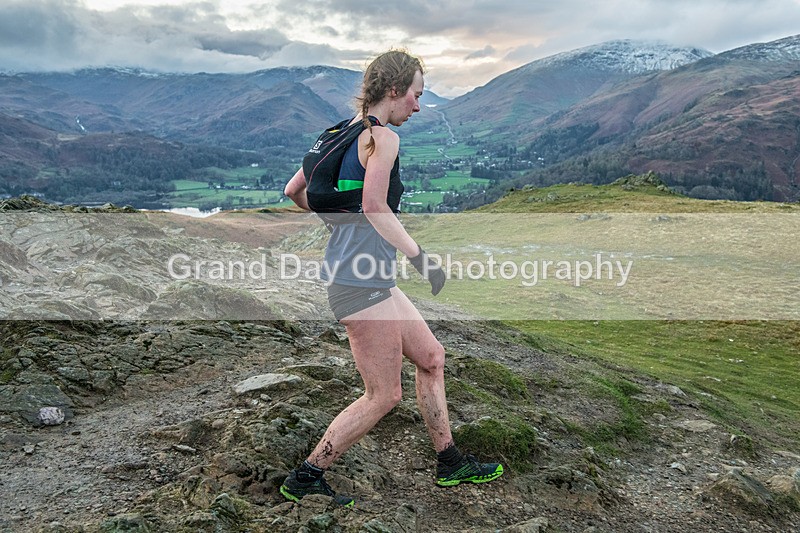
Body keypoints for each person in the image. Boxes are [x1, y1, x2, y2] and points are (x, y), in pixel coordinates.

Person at [281, 49, 503, 507]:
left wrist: (340, 222)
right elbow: (376, 206)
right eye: (416, 96)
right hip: (359, 285)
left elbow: (294, 192)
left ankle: (450, 462)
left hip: (371, 279)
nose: (418, 106)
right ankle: (306, 477)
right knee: (383, 395)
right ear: (394, 91)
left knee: (431, 357)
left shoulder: (335, 135)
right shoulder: (382, 139)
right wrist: (422, 258)